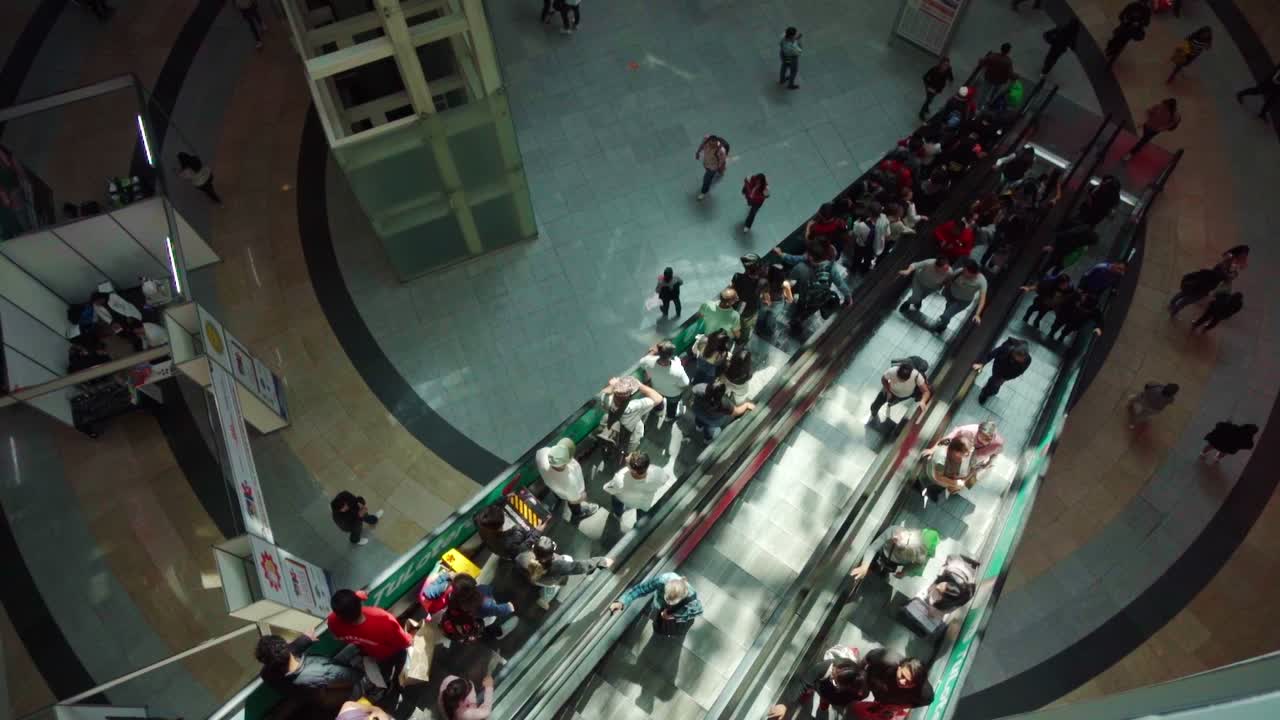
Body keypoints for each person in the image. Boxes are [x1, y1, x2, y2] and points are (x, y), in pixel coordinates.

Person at [327, 589, 413, 676]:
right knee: (399, 663)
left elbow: (336, 635)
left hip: (371, 652)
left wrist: (357, 597)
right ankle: (396, 679)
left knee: (385, 669)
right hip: (389, 652)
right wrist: (410, 639)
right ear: (359, 603)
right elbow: (404, 642)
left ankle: (387, 680)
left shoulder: (332, 622)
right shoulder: (383, 620)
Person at [255, 633, 364, 700]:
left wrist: (305, 640)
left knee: (353, 649)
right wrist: (362, 673)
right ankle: (374, 692)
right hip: (345, 687)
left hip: (314, 692)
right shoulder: (318, 671)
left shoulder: (268, 674)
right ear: (287, 645)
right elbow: (353, 677)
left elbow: (287, 651)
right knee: (365, 675)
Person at [515, 536, 613, 609]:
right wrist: (600, 560)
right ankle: (544, 600)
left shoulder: (525, 556)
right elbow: (578, 567)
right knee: (567, 560)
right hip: (549, 581)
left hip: (534, 578)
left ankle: (542, 596)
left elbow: (518, 561)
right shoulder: (558, 565)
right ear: (550, 555)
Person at [607, 572, 704, 635]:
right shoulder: (661, 581)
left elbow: (695, 612)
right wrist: (622, 602)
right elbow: (641, 589)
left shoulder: (691, 596)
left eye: (672, 602)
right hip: (658, 605)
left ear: (683, 595)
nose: (669, 603)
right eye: (667, 598)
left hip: (669, 612)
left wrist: (673, 616)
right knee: (655, 614)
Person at [536, 437, 599, 520]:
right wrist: (582, 496)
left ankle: (559, 498)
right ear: (566, 461)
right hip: (570, 492)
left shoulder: (541, 453)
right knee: (574, 503)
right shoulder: (569, 483)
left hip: (553, 486)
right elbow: (573, 500)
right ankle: (577, 513)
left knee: (558, 493)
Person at [419, 572, 515, 624]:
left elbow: (427, 593)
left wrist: (446, 575)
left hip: (434, 607)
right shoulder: (481, 595)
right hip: (477, 611)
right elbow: (495, 610)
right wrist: (508, 607)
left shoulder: (447, 588)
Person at [597, 376, 661, 453]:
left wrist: (612, 386)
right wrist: (639, 385)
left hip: (612, 426)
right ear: (630, 395)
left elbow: (605, 392)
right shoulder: (634, 406)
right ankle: (624, 455)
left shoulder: (606, 399)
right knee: (628, 449)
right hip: (630, 435)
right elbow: (658, 398)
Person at [850, 526, 940, 580]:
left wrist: (905, 572)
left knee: (882, 569)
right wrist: (864, 566)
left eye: (898, 540)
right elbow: (873, 548)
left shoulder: (917, 556)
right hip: (883, 554)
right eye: (906, 534)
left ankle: (880, 570)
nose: (896, 535)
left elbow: (917, 565)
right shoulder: (894, 530)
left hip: (893, 562)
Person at [603, 451, 669, 521]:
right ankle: (640, 524)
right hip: (643, 503)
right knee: (641, 516)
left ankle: (617, 515)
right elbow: (665, 478)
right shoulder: (657, 472)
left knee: (615, 498)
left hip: (624, 499)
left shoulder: (620, 478)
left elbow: (608, 488)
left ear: (633, 470)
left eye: (627, 462)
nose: (625, 457)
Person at [862, 648, 934, 708]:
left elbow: (928, 699)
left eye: (909, 682)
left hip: (888, 700)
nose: (902, 682)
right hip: (873, 679)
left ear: (916, 685)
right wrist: (860, 670)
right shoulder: (886, 658)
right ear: (900, 666)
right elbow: (868, 657)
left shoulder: (924, 693)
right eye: (902, 675)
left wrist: (904, 706)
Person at [640, 340, 690, 423]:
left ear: (658, 352)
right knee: (672, 407)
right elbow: (685, 384)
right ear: (671, 355)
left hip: (657, 390)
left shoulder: (648, 361)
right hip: (673, 394)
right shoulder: (678, 368)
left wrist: (651, 353)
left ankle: (658, 411)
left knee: (658, 401)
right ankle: (669, 417)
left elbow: (642, 362)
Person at [796, 655, 868, 712]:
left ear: (848, 687)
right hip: (821, 686)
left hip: (830, 695)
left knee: (825, 698)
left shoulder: (856, 691)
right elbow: (806, 681)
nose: (832, 675)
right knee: (813, 688)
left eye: (836, 682)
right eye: (834, 670)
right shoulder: (824, 667)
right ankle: (812, 693)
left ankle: (824, 701)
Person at [691, 379, 755, 441]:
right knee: (709, 429)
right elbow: (737, 412)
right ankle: (707, 439)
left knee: (699, 420)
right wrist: (746, 405)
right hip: (713, 421)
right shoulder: (724, 403)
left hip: (698, 412)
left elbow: (693, 389)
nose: (717, 381)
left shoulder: (701, 389)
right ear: (721, 394)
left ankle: (699, 427)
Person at [935, 259, 988, 332]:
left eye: (965, 271)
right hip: (951, 295)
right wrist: (942, 286)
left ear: (973, 273)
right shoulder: (960, 271)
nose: (963, 272)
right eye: (964, 269)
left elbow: (982, 299)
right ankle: (943, 325)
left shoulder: (981, 281)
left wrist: (977, 314)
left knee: (946, 315)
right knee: (947, 311)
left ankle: (942, 322)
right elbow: (950, 278)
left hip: (962, 301)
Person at [973, 337, 1032, 404]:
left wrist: (1006, 378)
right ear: (1014, 352)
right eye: (1019, 358)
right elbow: (992, 354)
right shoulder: (1005, 349)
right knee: (994, 383)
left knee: (995, 384)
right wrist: (982, 364)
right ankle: (985, 393)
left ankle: (989, 390)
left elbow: (1019, 372)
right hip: (998, 368)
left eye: (1023, 358)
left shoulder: (1027, 360)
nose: (1021, 360)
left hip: (1006, 375)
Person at [918, 435, 976, 500]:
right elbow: (938, 477)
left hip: (948, 471)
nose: (966, 456)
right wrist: (955, 483)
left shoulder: (952, 448)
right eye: (965, 454)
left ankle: (959, 487)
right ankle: (951, 490)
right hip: (934, 476)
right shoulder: (941, 460)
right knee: (961, 484)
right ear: (957, 452)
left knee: (971, 475)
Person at [474, 503, 539, 560]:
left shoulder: (479, 520)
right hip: (507, 553)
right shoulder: (509, 541)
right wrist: (537, 532)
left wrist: (504, 498)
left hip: (495, 548)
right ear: (501, 523)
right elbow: (520, 550)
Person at [732, 254, 767, 344]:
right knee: (746, 327)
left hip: (737, 307)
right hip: (751, 309)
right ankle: (742, 340)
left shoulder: (737, 277)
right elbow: (764, 296)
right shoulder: (763, 282)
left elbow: (733, 290)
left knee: (736, 322)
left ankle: (737, 336)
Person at [1105, 1, 1151, 66]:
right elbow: (1122, 14)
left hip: (1132, 30)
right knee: (1116, 37)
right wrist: (1124, 19)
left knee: (1123, 42)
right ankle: (1110, 48)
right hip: (1125, 26)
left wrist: (1139, 23)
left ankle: (1113, 55)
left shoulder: (1147, 11)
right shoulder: (1133, 5)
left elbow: (1146, 22)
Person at [757, 262, 794, 339]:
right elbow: (790, 300)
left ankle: (759, 329)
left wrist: (767, 300)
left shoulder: (763, 281)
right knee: (772, 319)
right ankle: (768, 333)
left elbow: (761, 292)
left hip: (765, 302)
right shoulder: (785, 284)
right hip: (777, 304)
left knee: (761, 316)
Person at [976, 43, 1015, 108]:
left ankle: (979, 106)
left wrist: (981, 60)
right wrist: (1015, 77)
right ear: (1008, 51)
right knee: (994, 94)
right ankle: (989, 104)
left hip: (989, 78)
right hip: (1000, 81)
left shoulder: (993, 56)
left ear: (1001, 48)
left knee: (984, 92)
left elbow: (982, 62)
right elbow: (1010, 73)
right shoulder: (1008, 61)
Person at [920, 57, 954, 121]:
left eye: (947, 65)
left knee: (930, 99)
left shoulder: (948, 69)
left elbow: (950, 75)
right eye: (944, 65)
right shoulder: (934, 69)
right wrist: (928, 87)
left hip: (938, 89)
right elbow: (925, 77)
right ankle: (921, 113)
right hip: (930, 88)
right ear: (941, 64)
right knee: (928, 100)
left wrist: (951, 80)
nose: (946, 67)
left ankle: (926, 108)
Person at [695, 135, 729, 200]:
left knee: (706, 179)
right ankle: (720, 171)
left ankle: (703, 192)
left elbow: (722, 161)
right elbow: (702, 145)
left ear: (717, 142)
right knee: (709, 171)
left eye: (714, 145)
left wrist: (717, 168)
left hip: (713, 167)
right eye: (710, 144)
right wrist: (698, 152)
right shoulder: (706, 139)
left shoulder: (721, 151)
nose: (712, 146)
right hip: (706, 162)